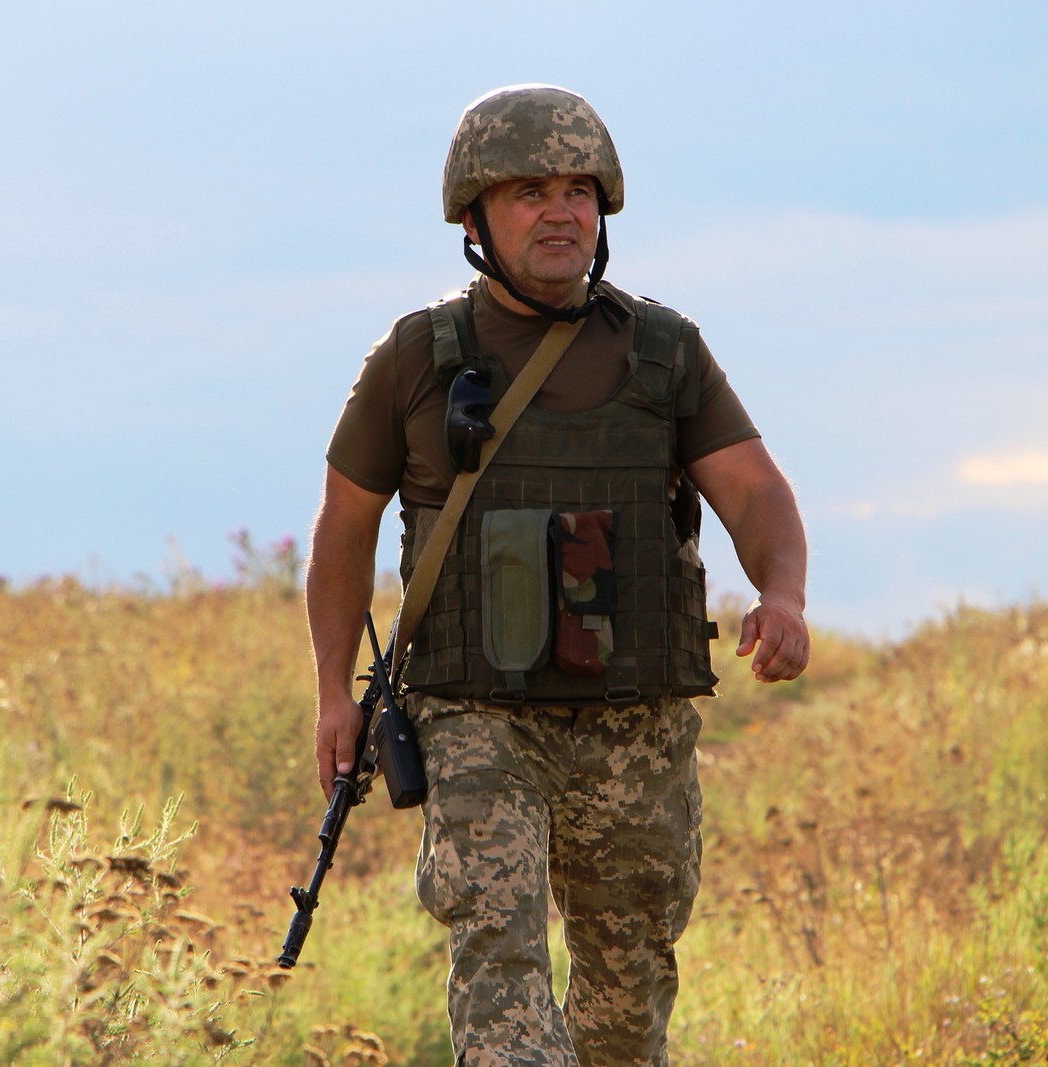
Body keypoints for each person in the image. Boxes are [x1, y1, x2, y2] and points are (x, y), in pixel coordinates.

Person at [305, 84, 809, 1067]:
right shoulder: (416, 358)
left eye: (578, 190)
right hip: (476, 717)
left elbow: (753, 491)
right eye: (529, 191)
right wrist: (333, 691)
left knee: (628, 995)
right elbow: (344, 528)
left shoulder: (663, 352)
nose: (560, 212)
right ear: (474, 218)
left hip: (635, 726)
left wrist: (781, 593)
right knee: (500, 971)